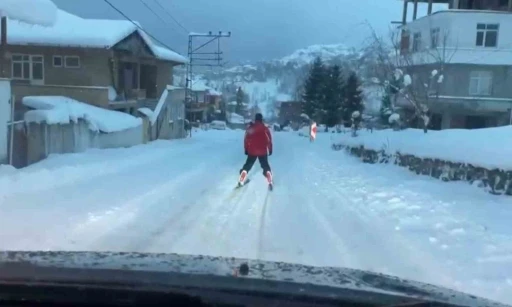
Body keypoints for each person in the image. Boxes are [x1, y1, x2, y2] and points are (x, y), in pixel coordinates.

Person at [238, 113, 273, 187]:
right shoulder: (265, 129)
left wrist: (246, 149)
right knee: (265, 165)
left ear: (255, 119)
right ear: (261, 119)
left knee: (248, 165)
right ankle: (269, 177)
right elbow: (269, 140)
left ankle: (243, 176)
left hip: (252, 150)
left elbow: (246, 139)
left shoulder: (251, 128)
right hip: (262, 151)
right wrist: (270, 149)